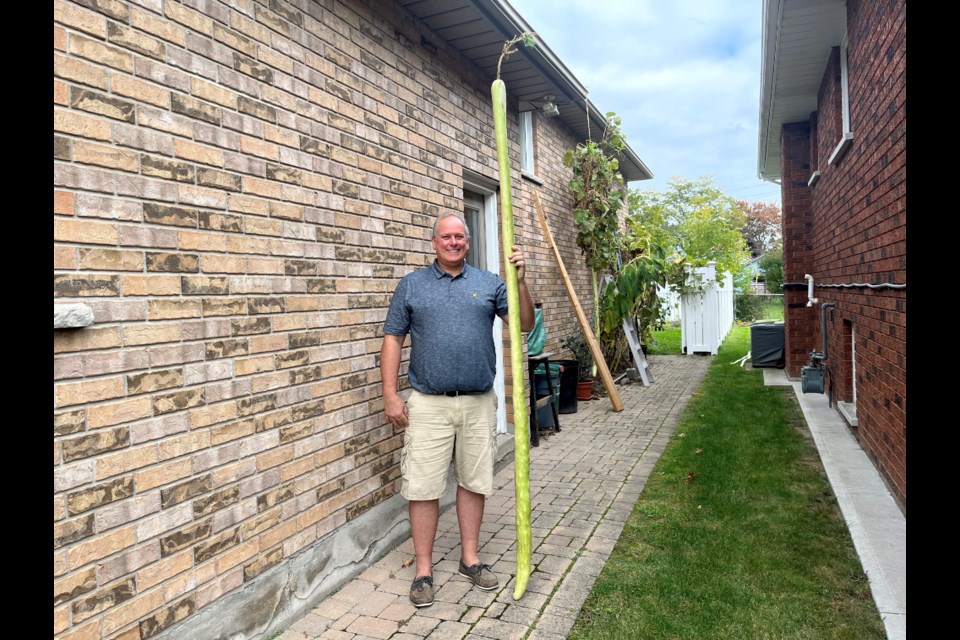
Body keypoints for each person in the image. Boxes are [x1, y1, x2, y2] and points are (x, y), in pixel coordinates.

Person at [380, 211, 535, 607]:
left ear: (467, 241)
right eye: (446, 237)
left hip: (477, 402)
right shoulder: (412, 285)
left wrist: (520, 281)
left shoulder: (490, 283)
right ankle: (424, 571)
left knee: (473, 481)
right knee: (423, 486)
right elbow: (393, 340)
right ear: (434, 243)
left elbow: (523, 324)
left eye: (460, 237)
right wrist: (390, 395)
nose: (453, 242)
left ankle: (470, 559)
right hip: (428, 403)